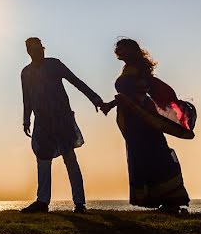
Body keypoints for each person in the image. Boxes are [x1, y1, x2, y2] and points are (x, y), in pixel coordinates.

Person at [100, 38, 190, 214]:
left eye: (122, 48)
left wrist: (110, 104)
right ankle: (162, 200)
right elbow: (128, 96)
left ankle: (170, 200)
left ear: (131, 50)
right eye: (118, 49)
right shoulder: (132, 69)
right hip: (135, 118)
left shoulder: (136, 70)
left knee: (152, 154)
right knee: (145, 155)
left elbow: (131, 95)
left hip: (142, 118)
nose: (118, 51)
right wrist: (113, 104)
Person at [20, 36, 106, 213]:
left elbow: (76, 81)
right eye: (34, 49)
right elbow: (26, 98)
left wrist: (95, 98)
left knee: (70, 158)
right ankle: (42, 201)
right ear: (29, 52)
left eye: (40, 49)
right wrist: (26, 118)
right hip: (42, 121)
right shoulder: (26, 72)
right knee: (43, 159)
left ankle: (79, 203)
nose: (39, 52)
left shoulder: (54, 65)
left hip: (61, 118)